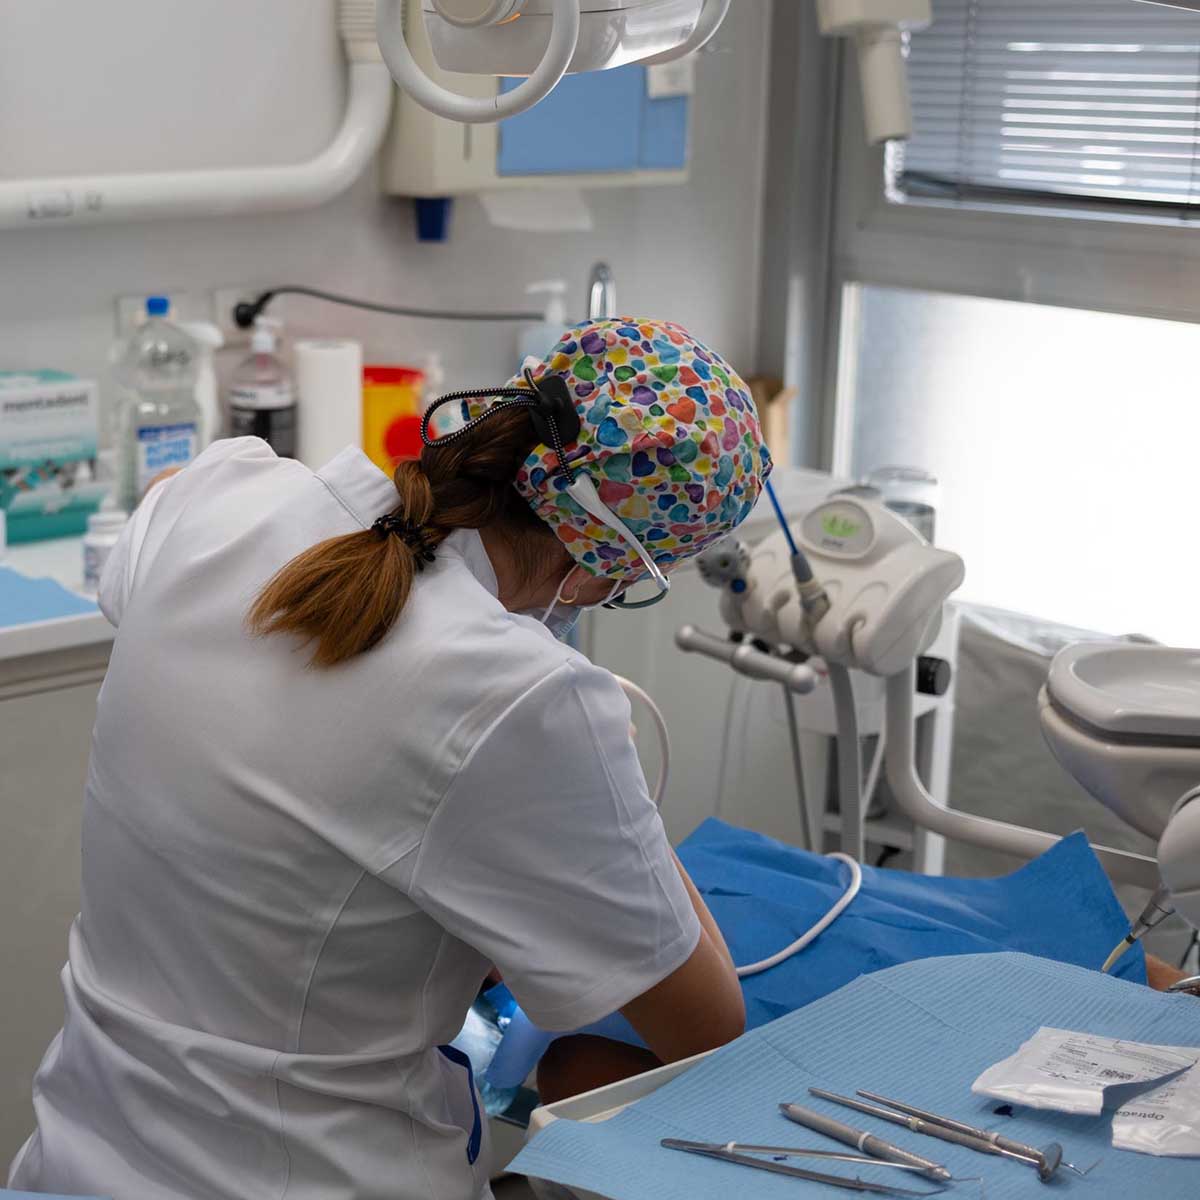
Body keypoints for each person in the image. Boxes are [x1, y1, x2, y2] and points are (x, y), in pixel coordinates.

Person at [8, 318, 771, 1200]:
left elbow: (300, 791)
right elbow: (708, 1026)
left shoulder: (226, 489)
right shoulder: (528, 700)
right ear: (608, 564)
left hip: (75, 1163)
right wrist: (604, 784)